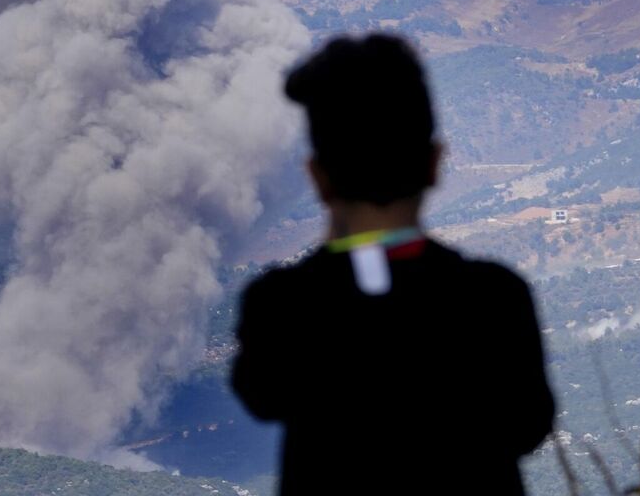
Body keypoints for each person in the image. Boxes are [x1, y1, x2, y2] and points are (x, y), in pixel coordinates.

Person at [230, 33, 555, 495]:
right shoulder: (494, 298)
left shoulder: (280, 306)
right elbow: (528, 426)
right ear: (435, 163)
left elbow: (262, 395)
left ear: (318, 178)